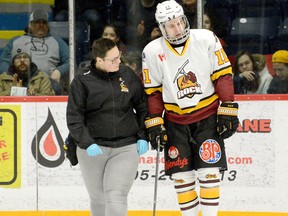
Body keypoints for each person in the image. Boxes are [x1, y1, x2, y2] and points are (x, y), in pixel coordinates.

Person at [142, 1, 239, 216]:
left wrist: (229, 106)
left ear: (185, 20)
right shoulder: (151, 51)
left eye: (179, 23)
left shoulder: (206, 39)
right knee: (181, 177)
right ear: (161, 27)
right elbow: (153, 91)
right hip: (175, 121)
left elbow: (222, 74)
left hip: (208, 118)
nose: (177, 29)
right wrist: (155, 120)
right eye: (170, 26)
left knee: (209, 173)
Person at [66, 38, 148, 216]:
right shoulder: (82, 81)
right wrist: (87, 143)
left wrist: (143, 135)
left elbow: (143, 107)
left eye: (119, 57)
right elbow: (74, 117)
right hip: (93, 149)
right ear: (99, 60)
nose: (119, 61)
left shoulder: (127, 75)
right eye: (113, 59)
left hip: (126, 147)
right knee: (98, 198)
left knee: (116, 195)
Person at [0, 9, 69, 86]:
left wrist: (59, 71)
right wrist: (11, 76)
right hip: (19, 84)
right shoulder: (15, 41)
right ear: (30, 24)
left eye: (44, 22)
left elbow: (70, 61)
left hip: (47, 84)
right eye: (37, 22)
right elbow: (3, 61)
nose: (41, 25)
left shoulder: (58, 41)